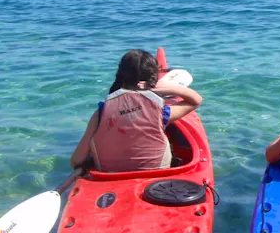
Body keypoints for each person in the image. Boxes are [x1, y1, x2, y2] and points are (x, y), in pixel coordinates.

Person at [70, 49, 202, 172]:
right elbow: (196, 100)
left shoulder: (101, 112)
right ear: (153, 79)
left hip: (110, 173)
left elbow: (77, 161)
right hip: (157, 171)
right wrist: (171, 88)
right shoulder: (160, 112)